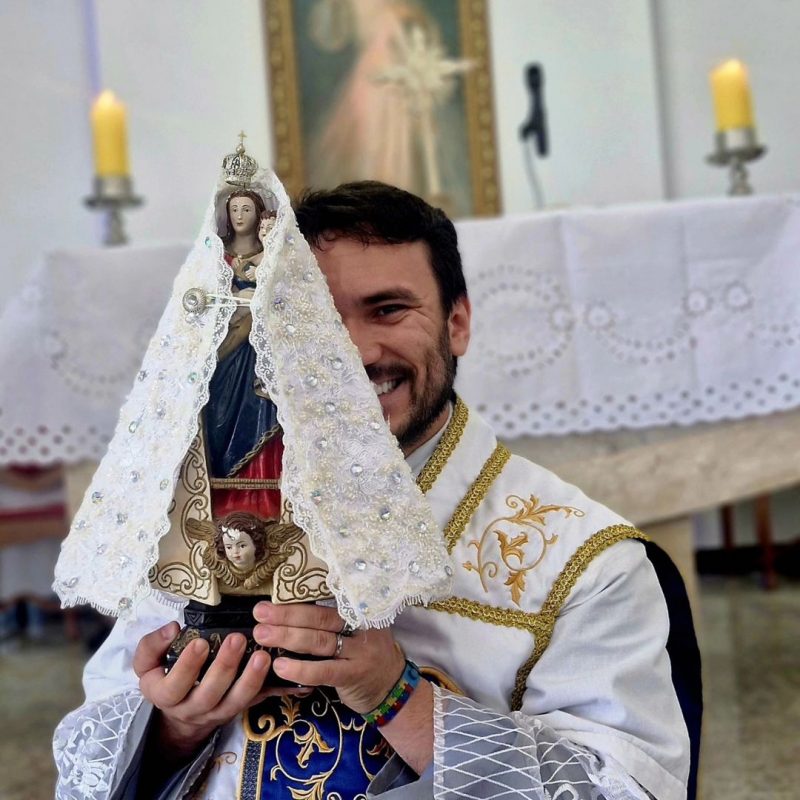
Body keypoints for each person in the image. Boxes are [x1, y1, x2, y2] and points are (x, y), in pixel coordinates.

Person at [54, 182, 698, 800]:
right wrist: (175, 726)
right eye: (317, 318)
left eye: (389, 309)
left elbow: (621, 788)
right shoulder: (203, 516)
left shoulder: (586, 563)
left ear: (458, 323)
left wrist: (397, 696)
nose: (354, 352)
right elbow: (84, 760)